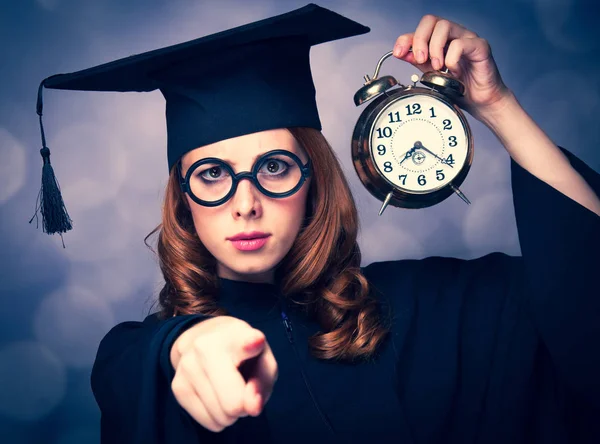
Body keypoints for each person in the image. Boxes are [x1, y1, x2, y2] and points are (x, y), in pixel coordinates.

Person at [31, 3, 600, 444]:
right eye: (211, 174)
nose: (245, 203)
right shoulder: (134, 356)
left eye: (274, 168)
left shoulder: (431, 306)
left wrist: (498, 104)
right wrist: (186, 344)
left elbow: (582, 289)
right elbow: (145, 369)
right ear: (182, 201)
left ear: (315, 182)